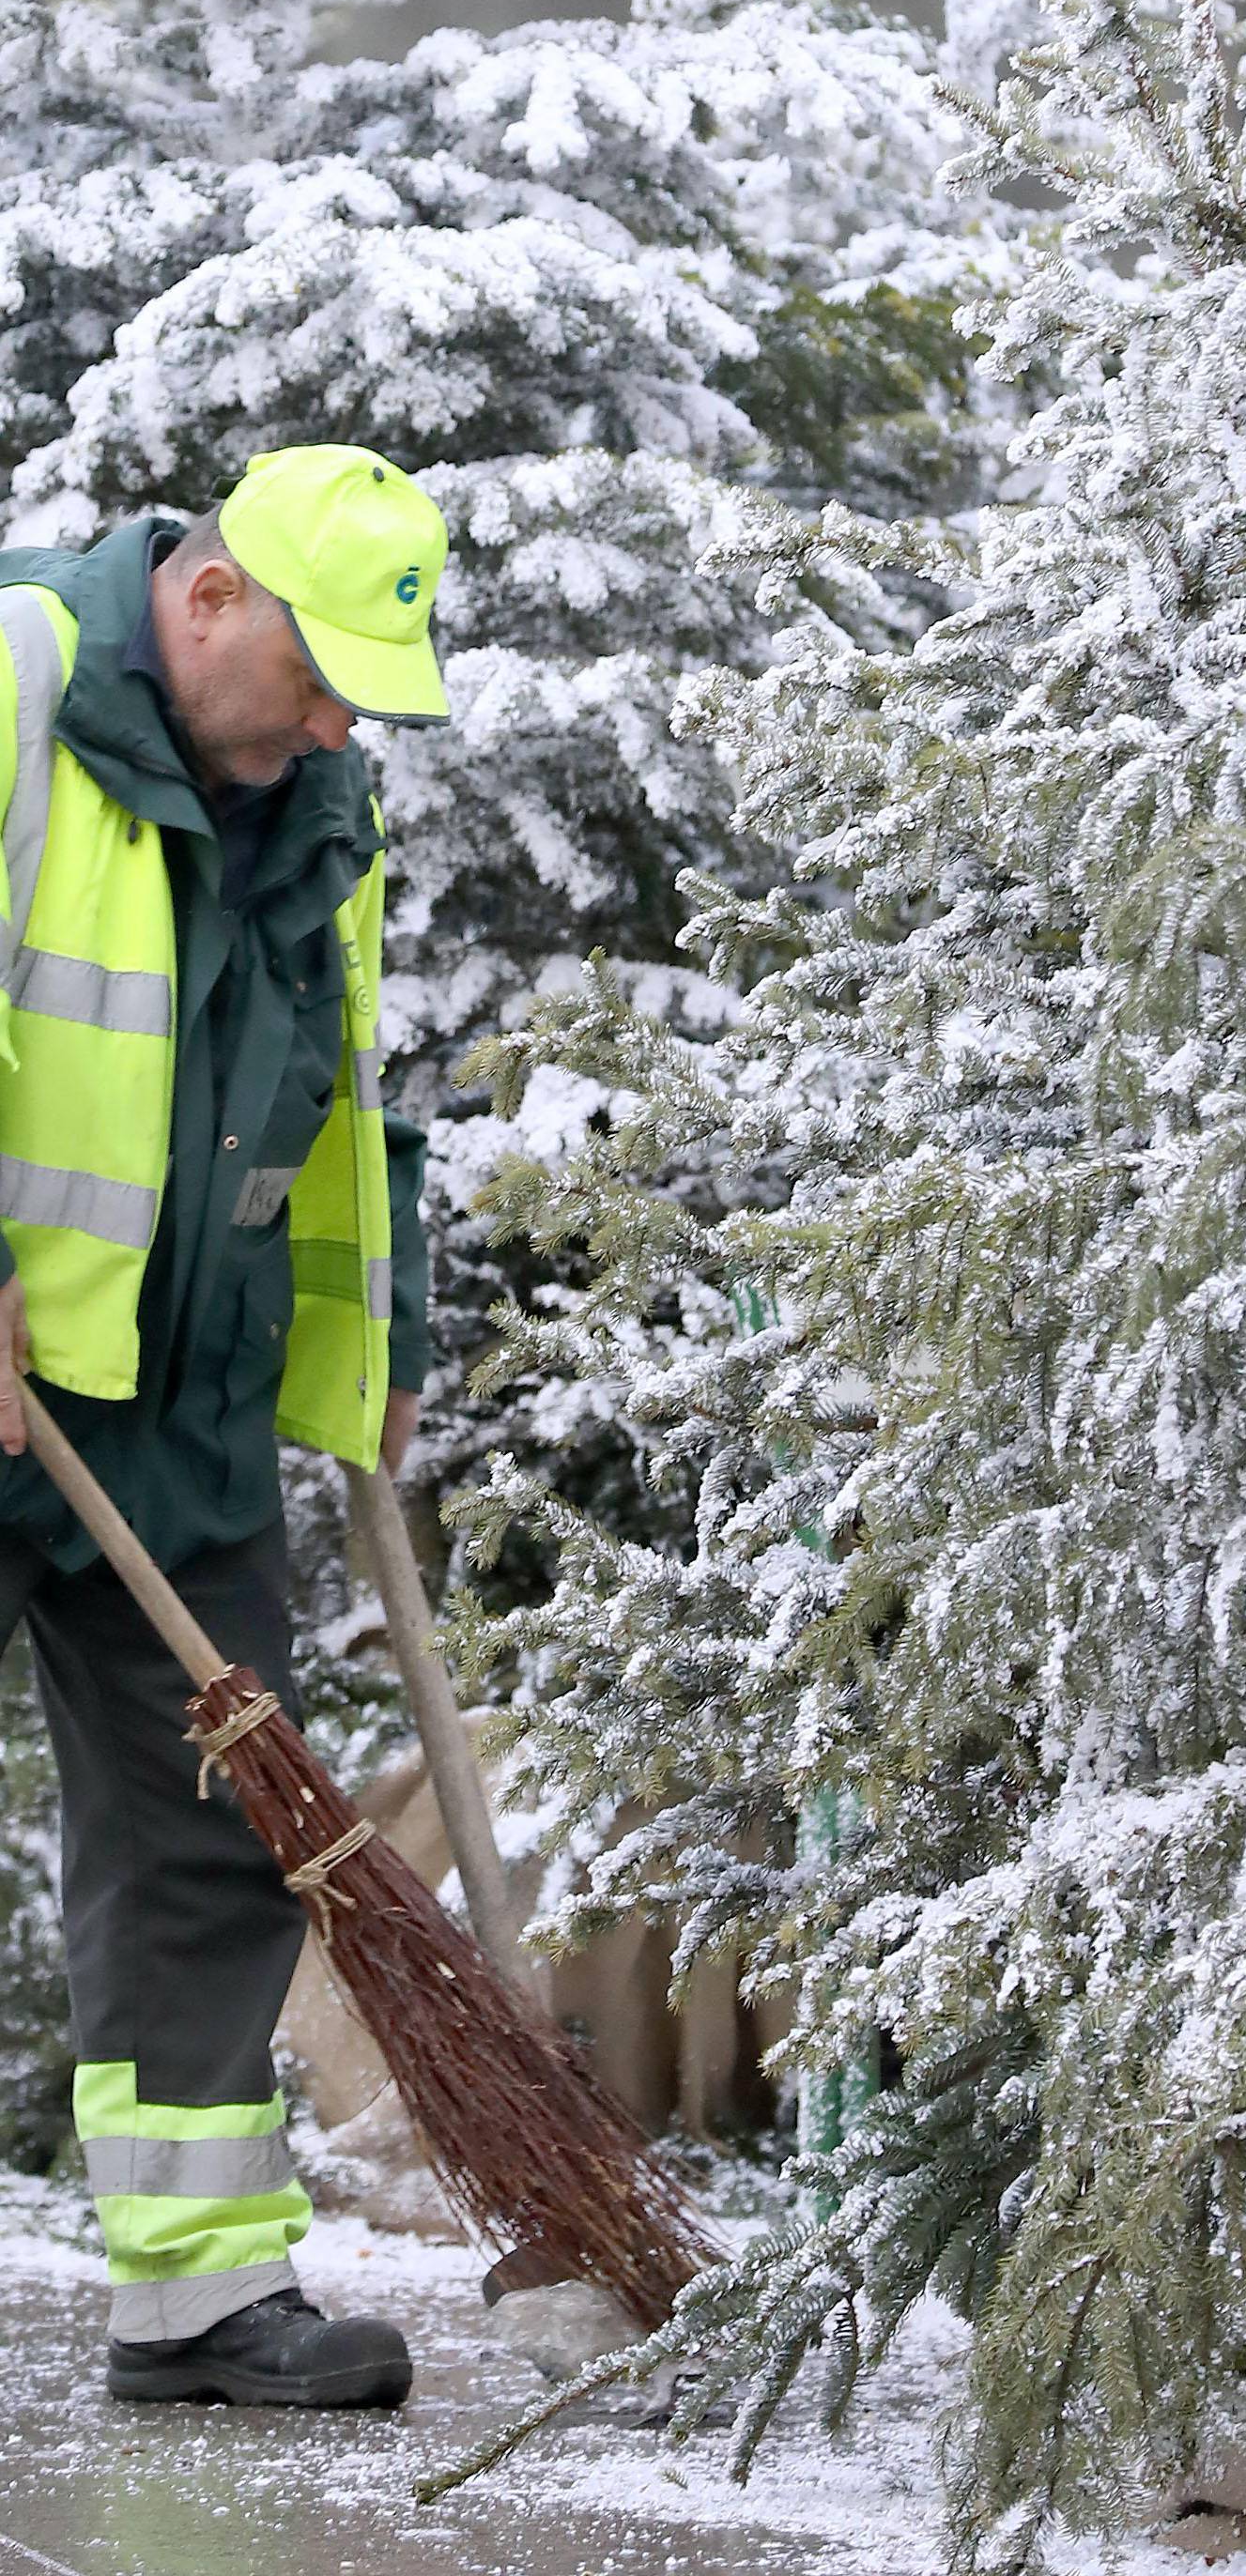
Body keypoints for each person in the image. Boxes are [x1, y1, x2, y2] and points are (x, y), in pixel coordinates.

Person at [0, 443, 451, 2412]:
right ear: (205, 602)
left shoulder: (317, 796)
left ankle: (195, 2301)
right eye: (324, 671)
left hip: (169, 1393)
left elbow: (345, 1100)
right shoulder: (16, 677)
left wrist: (381, 1331)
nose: (343, 716)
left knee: (211, 1823)